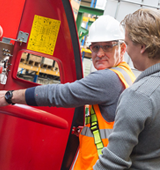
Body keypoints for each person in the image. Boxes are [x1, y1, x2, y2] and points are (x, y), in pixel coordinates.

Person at [0, 15, 135, 170]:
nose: (99, 54)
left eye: (107, 47)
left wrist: (10, 96)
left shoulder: (108, 79)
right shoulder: (125, 74)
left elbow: (61, 94)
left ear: (122, 48)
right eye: (95, 47)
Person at [93, 8, 160, 170]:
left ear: (142, 47)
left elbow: (112, 163)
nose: (127, 50)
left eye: (128, 44)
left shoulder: (140, 95)